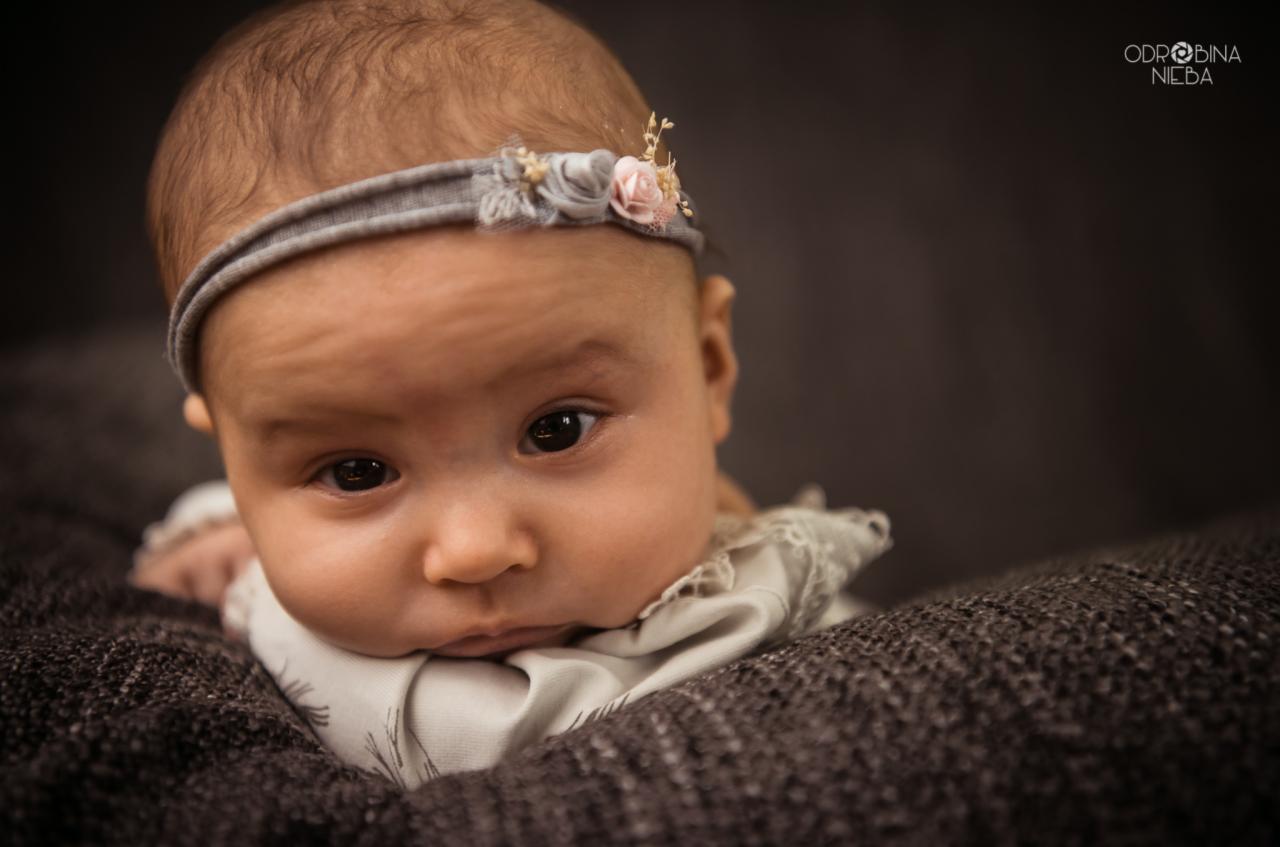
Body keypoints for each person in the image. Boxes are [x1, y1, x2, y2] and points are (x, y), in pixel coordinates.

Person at [129, 0, 894, 789]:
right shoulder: (242, 581)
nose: (475, 550)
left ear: (709, 370)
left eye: (557, 429)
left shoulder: (768, 616)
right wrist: (222, 540)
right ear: (231, 453)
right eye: (356, 472)